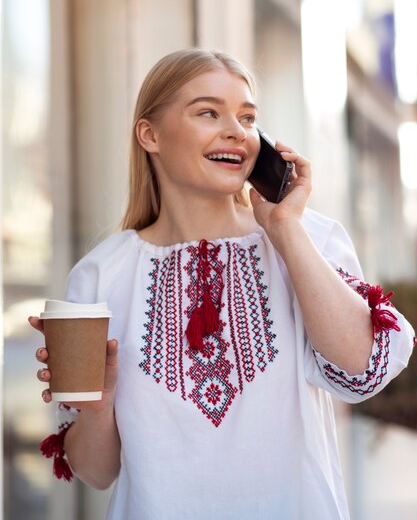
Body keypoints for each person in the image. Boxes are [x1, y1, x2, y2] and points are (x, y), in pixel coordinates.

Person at [30, 48, 415, 520]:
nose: (236, 130)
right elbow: (95, 472)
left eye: (248, 117)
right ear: (149, 135)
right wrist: (99, 404)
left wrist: (285, 229)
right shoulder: (100, 274)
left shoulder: (306, 238)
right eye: (209, 112)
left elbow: (363, 370)